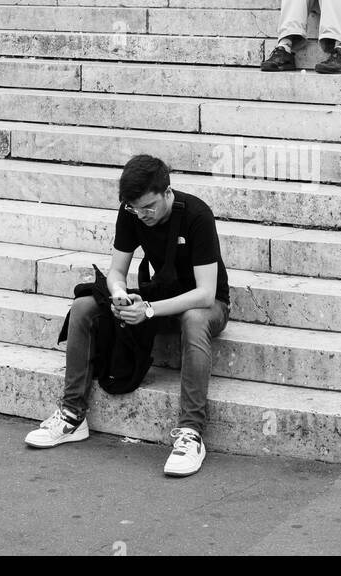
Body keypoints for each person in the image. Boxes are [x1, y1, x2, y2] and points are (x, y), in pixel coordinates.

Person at [25, 154, 230, 478]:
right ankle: (72, 415)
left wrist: (148, 310)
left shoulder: (197, 215)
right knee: (83, 307)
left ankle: (190, 433)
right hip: (159, 297)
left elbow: (205, 294)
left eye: (149, 207)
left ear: (167, 192)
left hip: (208, 306)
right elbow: (116, 271)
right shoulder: (131, 213)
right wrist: (121, 296)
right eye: (136, 208)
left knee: (193, 318)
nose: (142, 215)